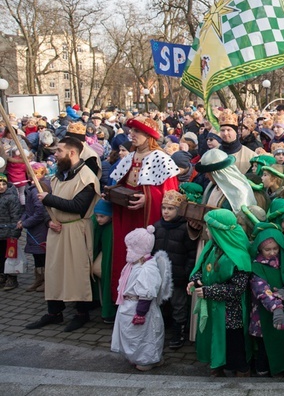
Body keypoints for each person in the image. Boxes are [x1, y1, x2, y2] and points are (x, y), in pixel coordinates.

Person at [27, 136, 100, 332]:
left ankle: (81, 313)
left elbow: (78, 206)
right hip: (56, 229)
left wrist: (48, 199)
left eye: (59, 151)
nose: (55, 154)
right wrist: (49, 221)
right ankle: (54, 312)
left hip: (77, 229)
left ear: (72, 153)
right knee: (53, 271)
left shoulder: (87, 177)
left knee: (77, 271)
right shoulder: (58, 176)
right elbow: (45, 209)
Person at [108, 116, 179, 301]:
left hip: (147, 219)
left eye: (136, 131)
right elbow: (121, 182)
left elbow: (171, 196)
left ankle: (145, 300)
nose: (131, 135)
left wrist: (147, 198)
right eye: (131, 131)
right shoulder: (130, 157)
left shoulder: (162, 159)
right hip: (127, 215)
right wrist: (111, 193)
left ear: (149, 136)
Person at [189, 209, 253, 377]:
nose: (207, 231)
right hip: (214, 306)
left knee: (232, 340)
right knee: (215, 336)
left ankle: (238, 369)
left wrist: (210, 291)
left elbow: (237, 289)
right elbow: (201, 267)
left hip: (231, 311)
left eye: (209, 228)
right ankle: (217, 363)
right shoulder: (212, 247)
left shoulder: (238, 256)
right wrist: (196, 280)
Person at [111, 225, 172, 371]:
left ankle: (147, 359)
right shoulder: (134, 264)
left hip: (139, 307)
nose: (127, 250)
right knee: (131, 334)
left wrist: (141, 312)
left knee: (144, 335)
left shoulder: (148, 268)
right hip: (129, 305)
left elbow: (147, 291)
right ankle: (135, 356)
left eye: (130, 247)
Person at [248, 223, 284, 377]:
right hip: (263, 314)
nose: (272, 253)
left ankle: (283, 366)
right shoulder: (256, 268)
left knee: (282, 340)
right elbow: (262, 290)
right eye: (267, 250)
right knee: (265, 343)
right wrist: (276, 307)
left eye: (275, 249)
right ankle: (262, 368)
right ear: (259, 250)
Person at [152, 189, 197, 350]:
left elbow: (191, 253)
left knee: (179, 305)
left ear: (179, 210)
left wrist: (186, 273)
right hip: (160, 276)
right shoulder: (157, 226)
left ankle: (179, 333)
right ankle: (163, 330)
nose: (166, 211)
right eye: (164, 208)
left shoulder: (185, 229)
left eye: (170, 208)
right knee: (162, 303)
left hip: (178, 277)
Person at [21, 163, 51, 292]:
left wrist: (25, 223)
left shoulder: (38, 189)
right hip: (35, 229)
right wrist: (22, 220)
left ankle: (46, 280)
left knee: (42, 254)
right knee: (37, 255)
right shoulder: (32, 188)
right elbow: (29, 210)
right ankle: (39, 279)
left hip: (40, 229)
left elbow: (39, 213)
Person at [0, 172, 23, 291]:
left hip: (9, 233)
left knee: (10, 256)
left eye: (4, 183)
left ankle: (12, 278)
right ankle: (2, 275)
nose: (1, 186)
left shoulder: (11, 198)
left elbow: (16, 216)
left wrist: (15, 232)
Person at [217, 110, 256, 175]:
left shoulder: (250, 156)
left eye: (229, 130)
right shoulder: (213, 152)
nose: (225, 133)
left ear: (236, 132)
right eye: (222, 130)